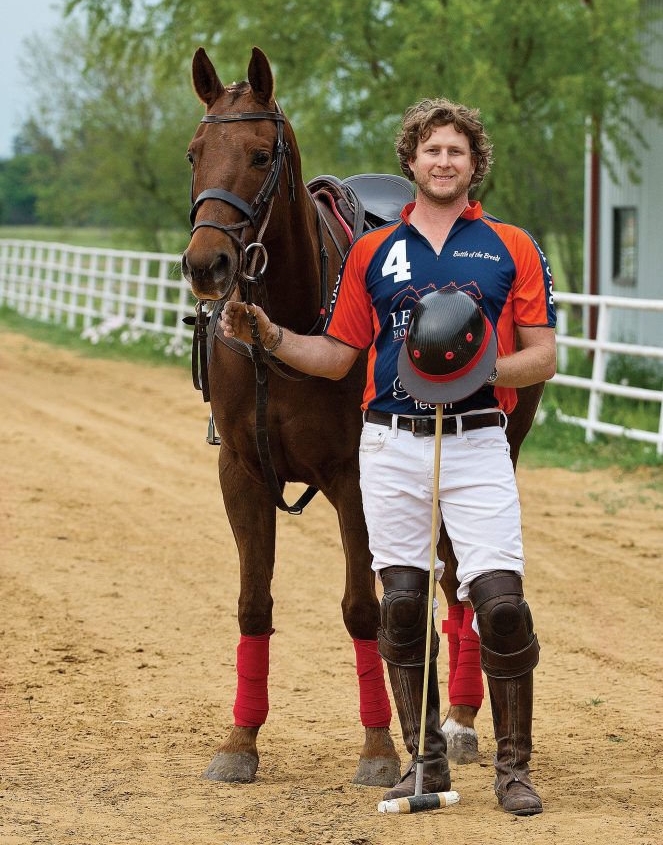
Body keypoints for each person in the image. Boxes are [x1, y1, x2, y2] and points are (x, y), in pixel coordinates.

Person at [221, 97, 556, 815]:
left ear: (473, 165)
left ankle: (512, 767)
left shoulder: (512, 245)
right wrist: (270, 334)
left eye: (455, 152)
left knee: (500, 604)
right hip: (389, 442)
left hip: (475, 442)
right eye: (430, 151)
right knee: (400, 603)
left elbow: (544, 357)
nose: (442, 162)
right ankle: (423, 763)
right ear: (410, 161)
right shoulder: (372, 254)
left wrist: (477, 369)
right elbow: (338, 355)